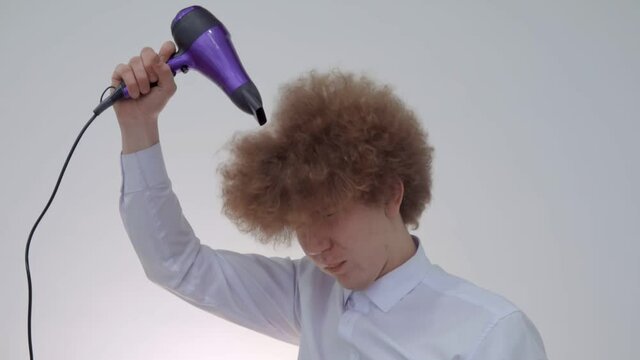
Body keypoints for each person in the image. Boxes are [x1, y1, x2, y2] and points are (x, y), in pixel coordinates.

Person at [114, 41, 548, 359]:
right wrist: (139, 127)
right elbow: (179, 266)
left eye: (327, 213)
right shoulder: (310, 293)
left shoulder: (490, 334)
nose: (315, 246)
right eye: (299, 222)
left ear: (390, 193)